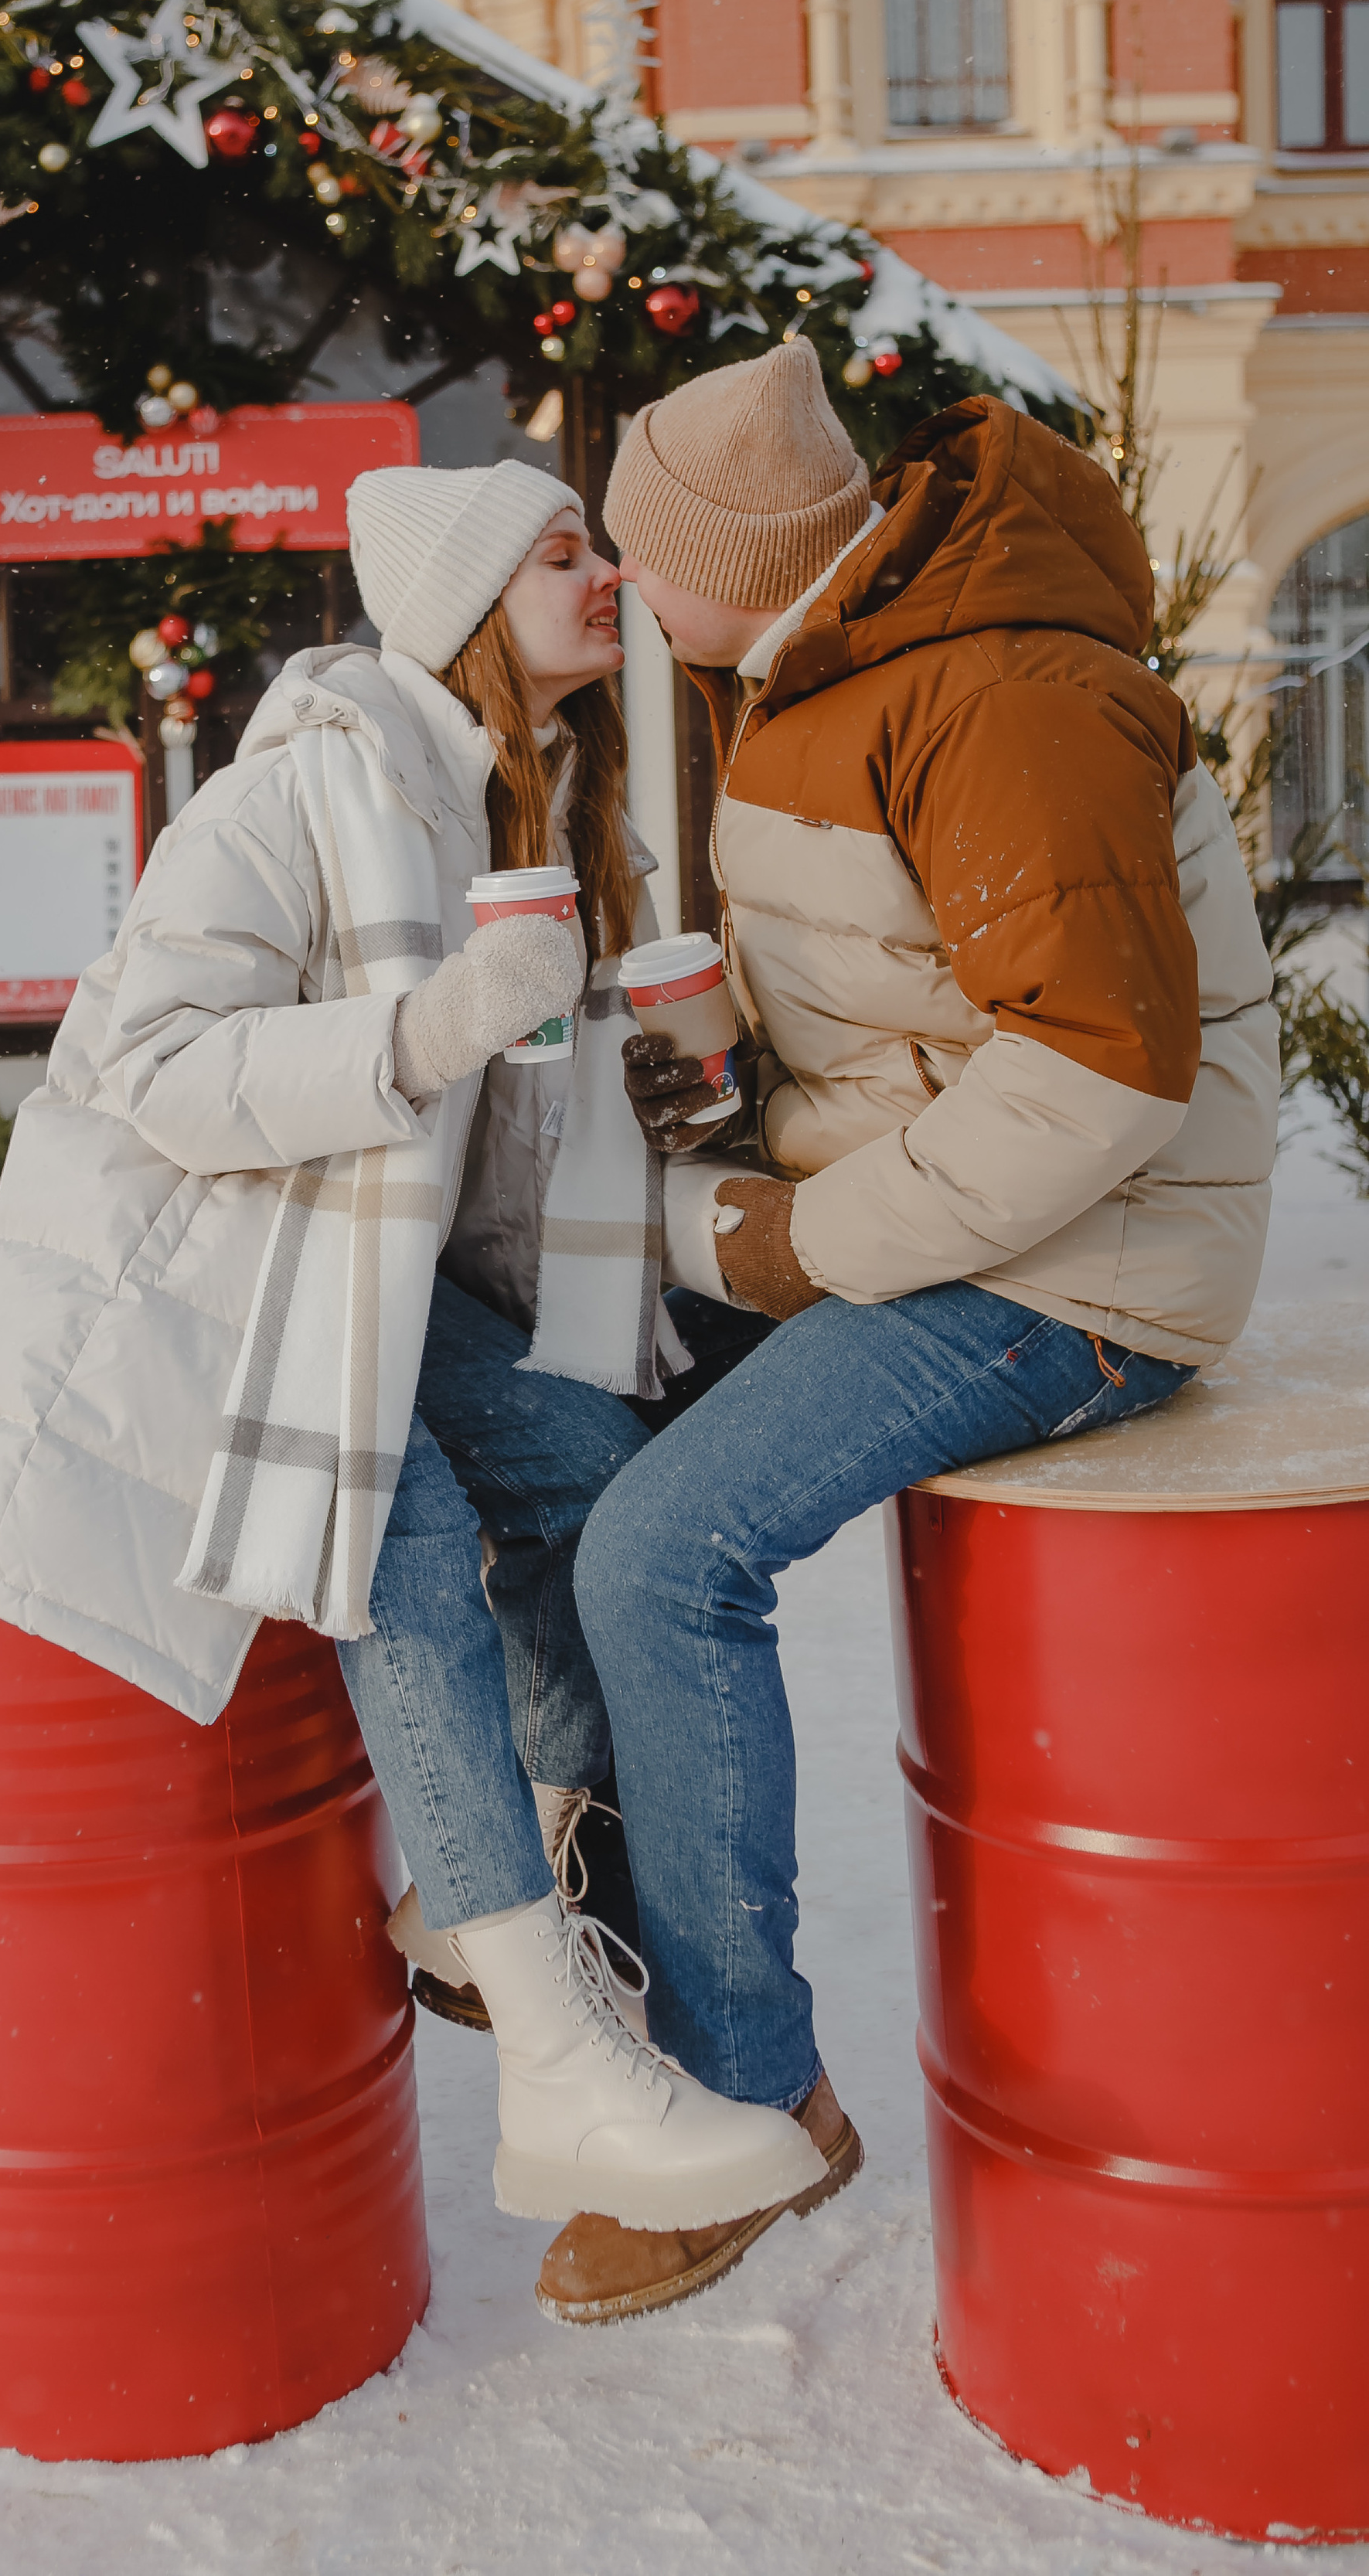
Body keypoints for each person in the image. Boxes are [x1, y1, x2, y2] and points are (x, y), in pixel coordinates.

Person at [0, 456, 827, 2244]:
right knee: (408, 1539)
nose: (606, 577)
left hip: (360, 1273)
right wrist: (433, 1022)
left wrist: (663, 1106)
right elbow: (150, 1071)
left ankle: (472, 1888)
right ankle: (556, 2077)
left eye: (601, 550)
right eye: (563, 553)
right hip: (189, 1264)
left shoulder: (555, 812)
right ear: (459, 605)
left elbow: (492, 1181)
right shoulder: (299, 790)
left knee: (597, 1478)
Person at [519, 339, 1279, 2326]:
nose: (610, 584)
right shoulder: (835, 663)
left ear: (722, 558)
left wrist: (789, 1242)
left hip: (1084, 1274)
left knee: (665, 1551)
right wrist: (737, 1105)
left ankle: (744, 2104)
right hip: (972, 1221)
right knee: (565, 1412)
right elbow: (929, 1008)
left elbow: (1099, 1075)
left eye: (629, 552)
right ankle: (551, 1919)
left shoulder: (1001, 694)